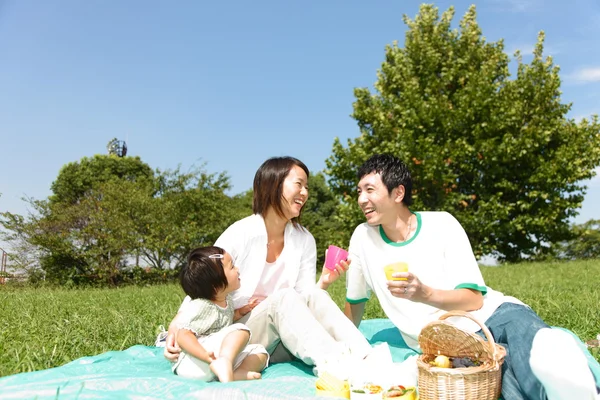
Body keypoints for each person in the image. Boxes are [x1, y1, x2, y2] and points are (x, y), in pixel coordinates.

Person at [344, 154, 600, 400]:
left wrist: (424, 293)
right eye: (359, 191)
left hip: (493, 314)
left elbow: (474, 299)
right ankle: (564, 391)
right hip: (446, 343)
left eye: (370, 189)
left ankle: (568, 376)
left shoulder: (442, 224)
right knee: (504, 377)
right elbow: (355, 303)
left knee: (528, 339)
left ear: (398, 193)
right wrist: (341, 346)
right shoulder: (362, 238)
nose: (361, 199)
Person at [164, 156, 373, 373]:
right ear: (273, 184)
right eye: (298, 184)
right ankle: (339, 368)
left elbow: (304, 299)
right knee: (281, 299)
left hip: (280, 340)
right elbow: (206, 279)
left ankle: (367, 357)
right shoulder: (241, 233)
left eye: (306, 187)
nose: (304, 193)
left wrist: (323, 283)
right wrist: (176, 326)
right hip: (235, 337)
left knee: (316, 295)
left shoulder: (304, 239)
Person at [172, 246, 268, 382]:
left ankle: (235, 374)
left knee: (259, 352)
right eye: (232, 266)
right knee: (241, 330)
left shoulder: (226, 300)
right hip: (194, 361)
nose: (237, 269)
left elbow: (224, 319)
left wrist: (241, 312)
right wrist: (206, 356)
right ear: (216, 286)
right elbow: (182, 335)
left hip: (212, 363)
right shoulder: (201, 306)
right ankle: (225, 362)